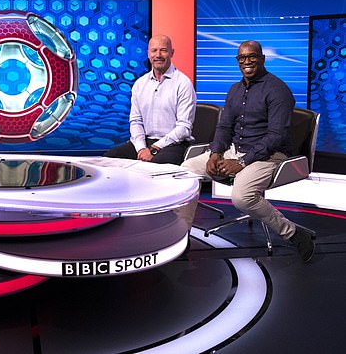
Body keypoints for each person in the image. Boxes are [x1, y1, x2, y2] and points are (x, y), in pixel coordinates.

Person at [180, 40, 315, 262]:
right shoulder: (234, 90)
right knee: (185, 172)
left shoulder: (278, 90)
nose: (247, 62)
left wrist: (242, 163)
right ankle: (182, 237)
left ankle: (294, 233)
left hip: (269, 155)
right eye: (242, 58)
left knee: (242, 197)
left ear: (262, 59)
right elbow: (224, 127)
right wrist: (215, 153)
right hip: (236, 149)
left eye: (252, 57)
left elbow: (276, 137)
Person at [104, 34, 196, 165]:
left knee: (155, 166)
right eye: (154, 50)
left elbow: (184, 128)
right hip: (145, 142)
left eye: (163, 50)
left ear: (172, 53)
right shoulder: (140, 84)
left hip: (173, 144)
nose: (158, 55)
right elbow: (136, 121)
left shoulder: (183, 83)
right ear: (148, 54)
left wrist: (153, 149)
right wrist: (141, 148)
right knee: (109, 160)